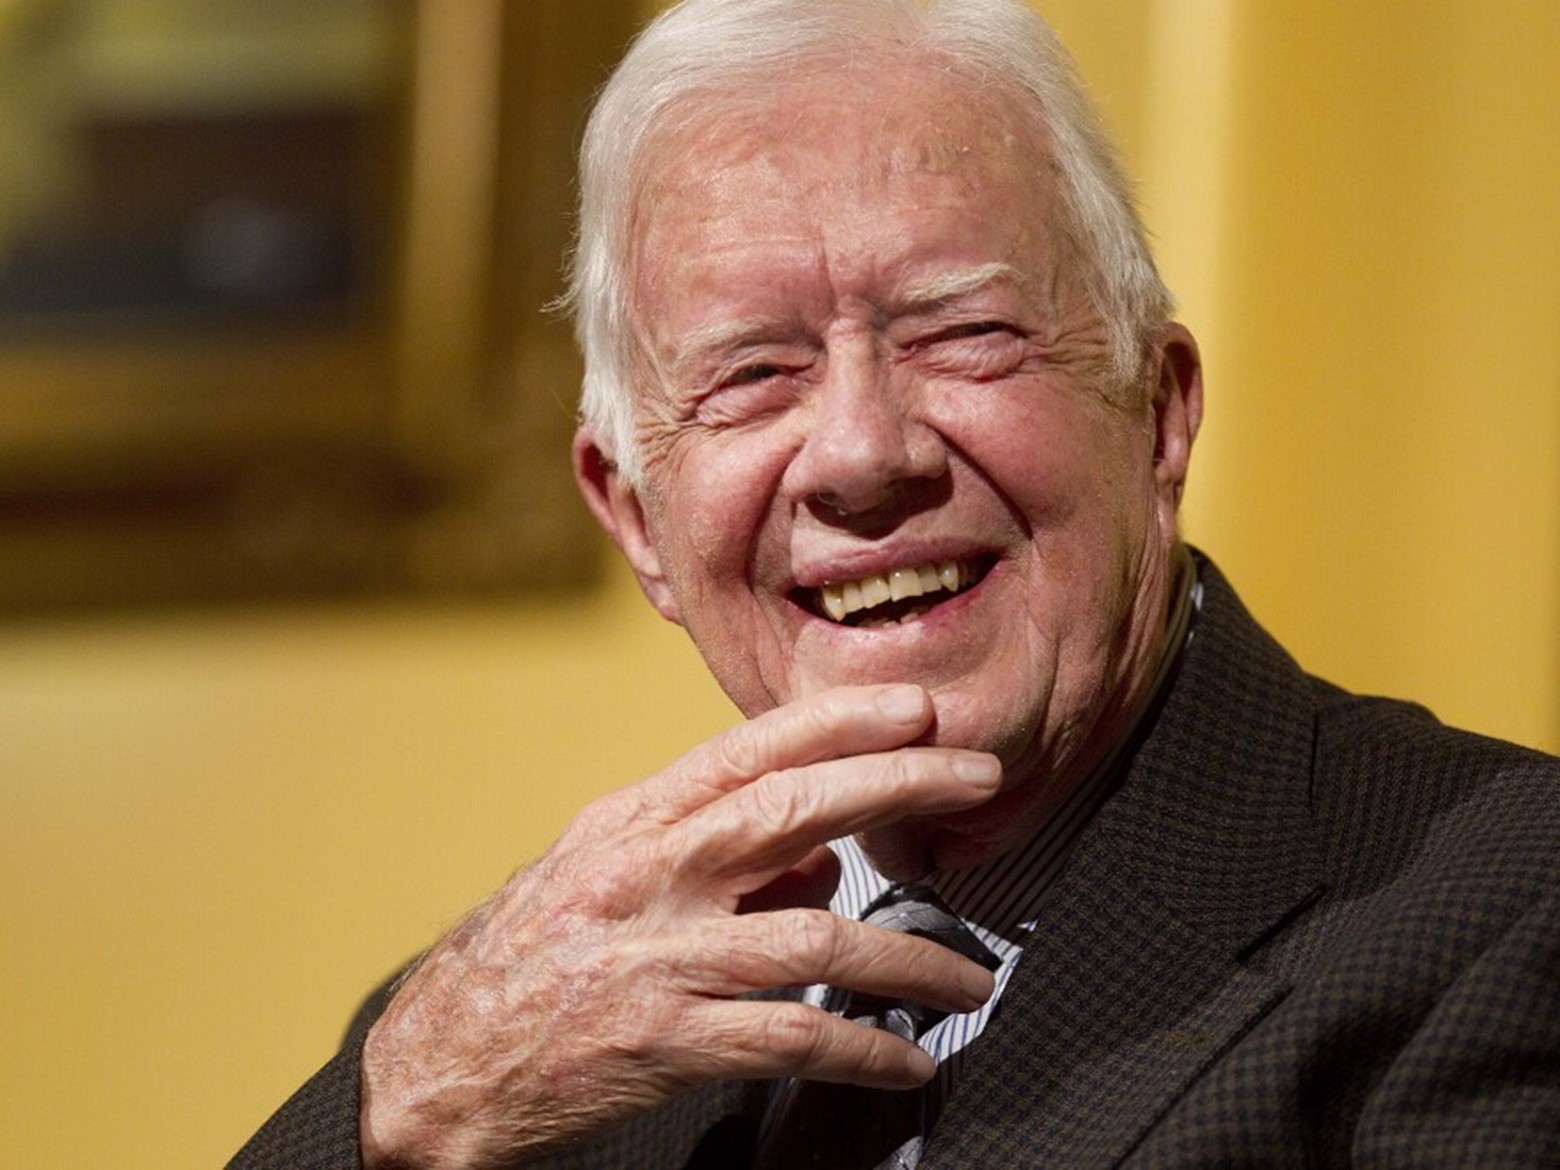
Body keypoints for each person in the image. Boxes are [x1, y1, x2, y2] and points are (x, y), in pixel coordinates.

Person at [232, 1, 1560, 1166]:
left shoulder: (1501, 905)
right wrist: (394, 1115)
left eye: (961, 332)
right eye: (752, 373)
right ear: (636, 520)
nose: (864, 454)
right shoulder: (496, 1054)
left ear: (1157, 411)